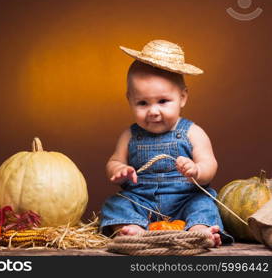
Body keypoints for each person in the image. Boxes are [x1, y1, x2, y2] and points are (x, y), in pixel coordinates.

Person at [100, 39, 233, 247]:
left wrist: (196, 170)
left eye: (162, 101)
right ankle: (132, 228)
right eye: (142, 103)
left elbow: (210, 165)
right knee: (116, 203)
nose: (153, 111)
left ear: (182, 97)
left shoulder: (192, 132)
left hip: (185, 200)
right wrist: (119, 169)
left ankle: (199, 230)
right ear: (129, 99)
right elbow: (114, 161)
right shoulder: (130, 135)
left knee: (204, 204)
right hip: (142, 201)